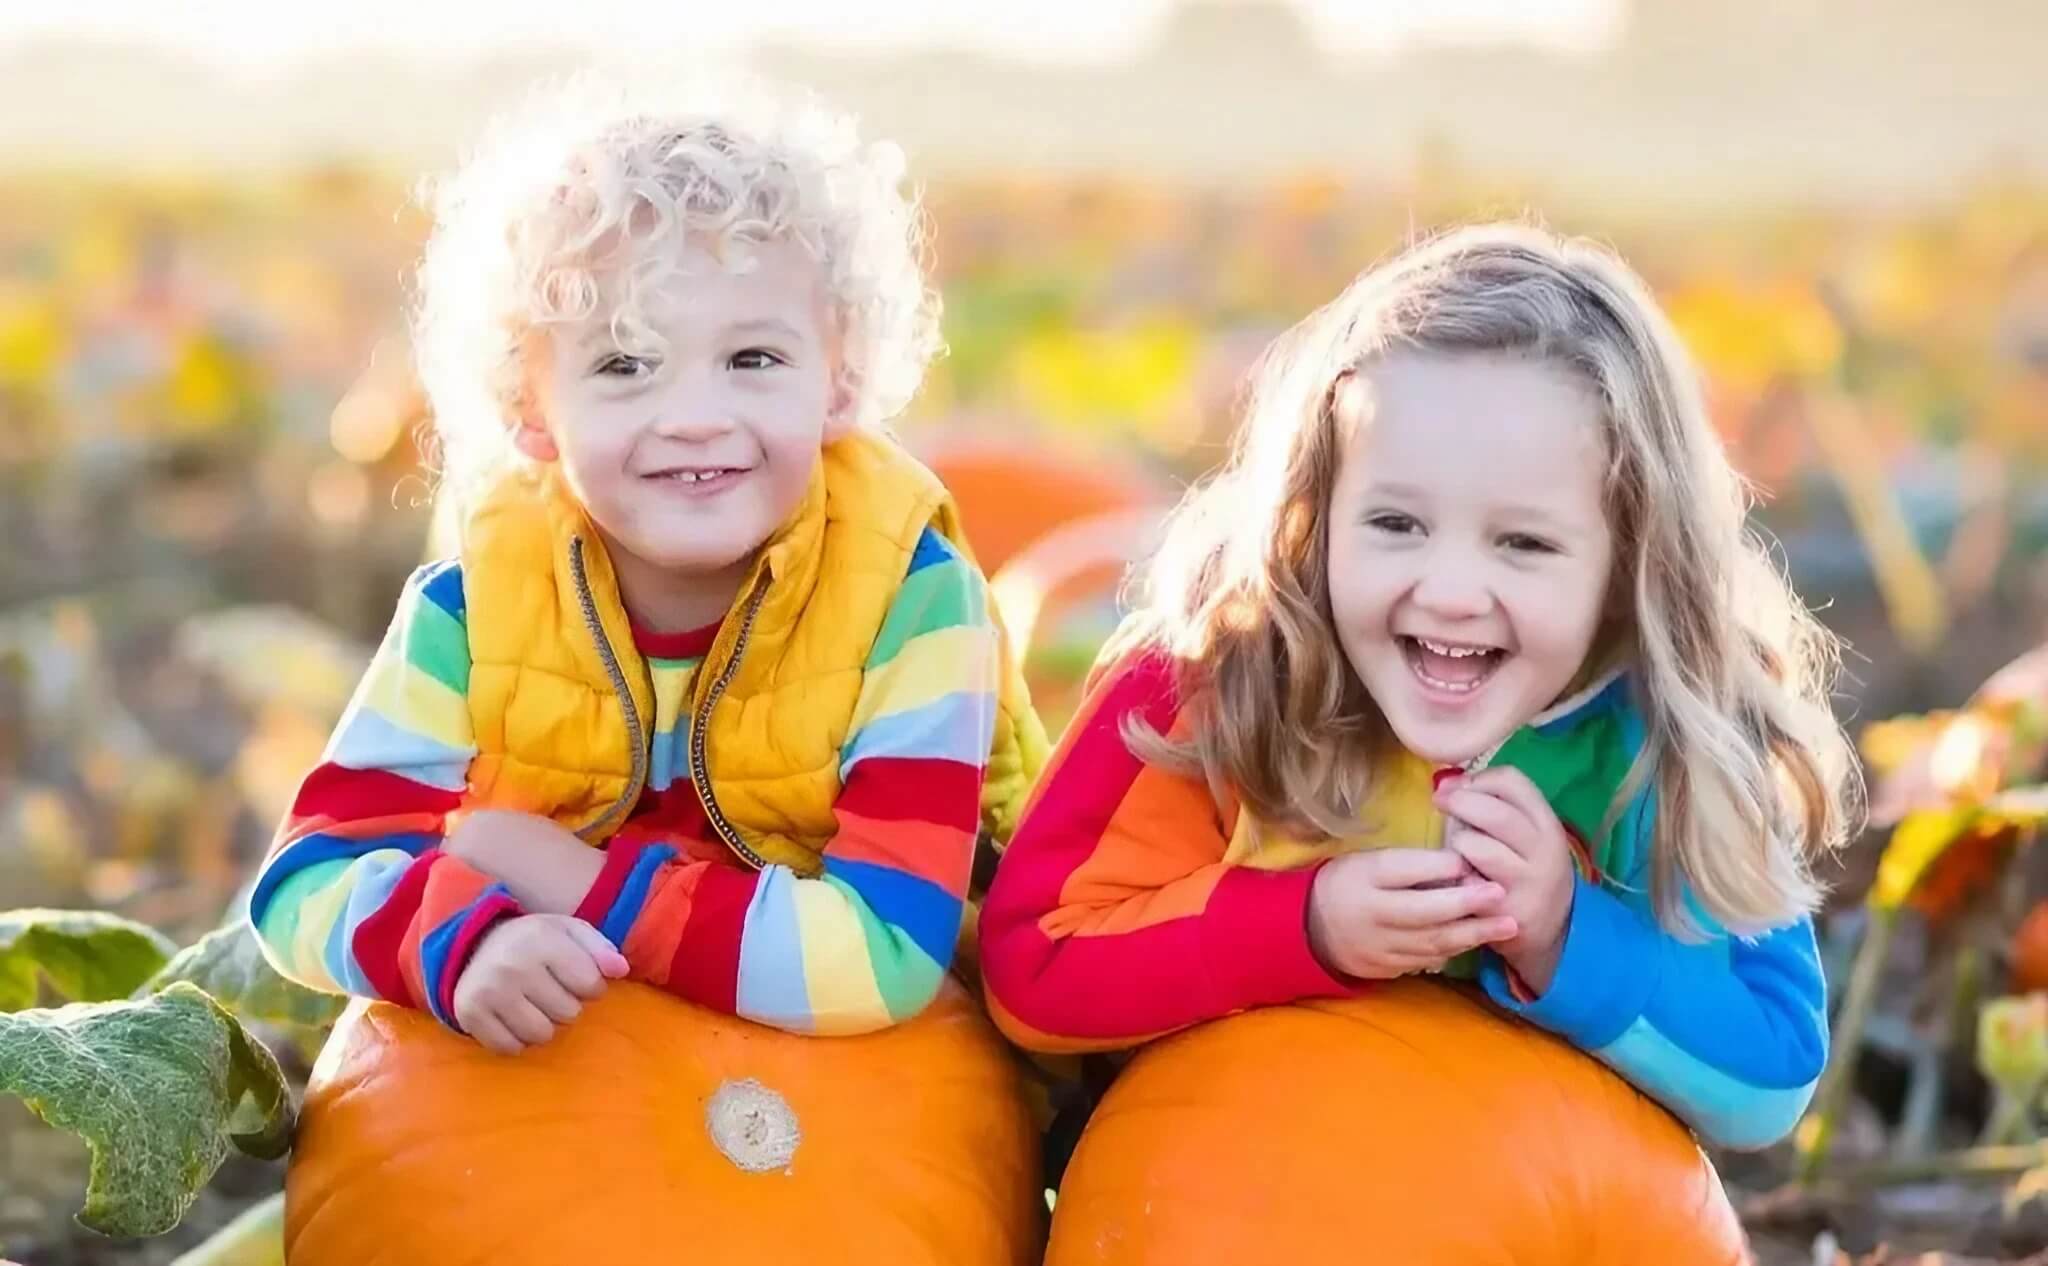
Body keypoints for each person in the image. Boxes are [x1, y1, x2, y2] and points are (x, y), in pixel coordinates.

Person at [979, 223, 1860, 1150]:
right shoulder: (1210, 692)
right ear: (1313, 514)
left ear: (1631, 560)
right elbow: (1033, 963)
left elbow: (1770, 1080)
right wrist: (1304, 928)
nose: (1447, 592)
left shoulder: (1666, 744)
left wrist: (1567, 933)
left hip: (1527, 1216)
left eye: (1522, 543)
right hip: (1223, 1199)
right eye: (1396, 523)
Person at [249, 75, 1046, 1052]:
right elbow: (303, 879)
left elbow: (879, 956)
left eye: (751, 358)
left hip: (852, 1118)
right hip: (548, 1103)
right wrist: (463, 940)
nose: (695, 415)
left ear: (838, 380)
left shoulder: (912, 604)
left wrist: (575, 881)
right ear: (530, 411)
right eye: (624, 364)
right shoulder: (475, 609)